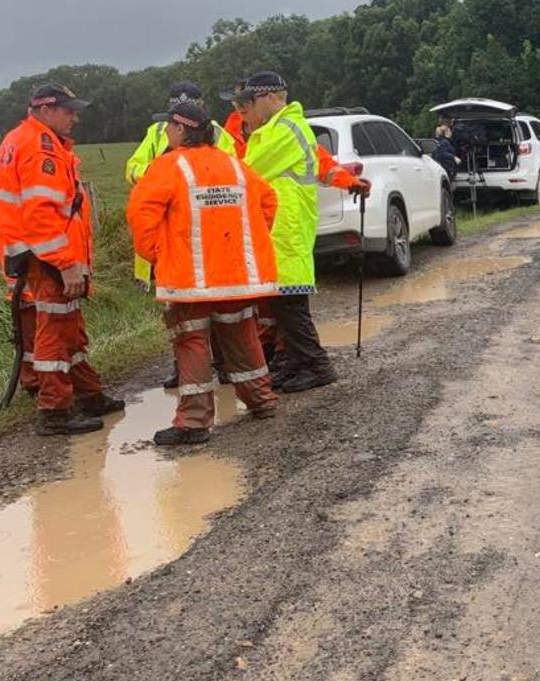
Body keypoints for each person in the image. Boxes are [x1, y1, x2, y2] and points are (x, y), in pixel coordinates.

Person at [126, 102, 282, 445]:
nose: (166, 132)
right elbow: (268, 202)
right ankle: (262, 400)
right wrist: (247, 244)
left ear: (181, 130)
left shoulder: (168, 166)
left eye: (168, 126)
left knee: (192, 341)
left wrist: (157, 255)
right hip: (236, 277)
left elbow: (141, 214)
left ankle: (194, 423)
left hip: (190, 280)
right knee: (243, 337)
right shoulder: (234, 165)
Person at [0, 83, 125, 435]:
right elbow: (42, 214)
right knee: (54, 331)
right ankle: (54, 410)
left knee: (68, 328)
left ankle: (88, 393)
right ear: (45, 110)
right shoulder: (40, 148)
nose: (75, 118)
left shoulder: (20, 139)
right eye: (69, 111)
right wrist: (65, 262)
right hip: (46, 255)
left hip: (34, 252)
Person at [223, 72, 369, 393]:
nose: (247, 107)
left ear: (272, 97)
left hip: (285, 225)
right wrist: (348, 180)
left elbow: (249, 169)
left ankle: (317, 365)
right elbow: (323, 166)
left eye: (252, 100)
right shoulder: (281, 127)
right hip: (281, 223)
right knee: (281, 303)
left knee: (290, 304)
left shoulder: (284, 130)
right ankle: (295, 363)